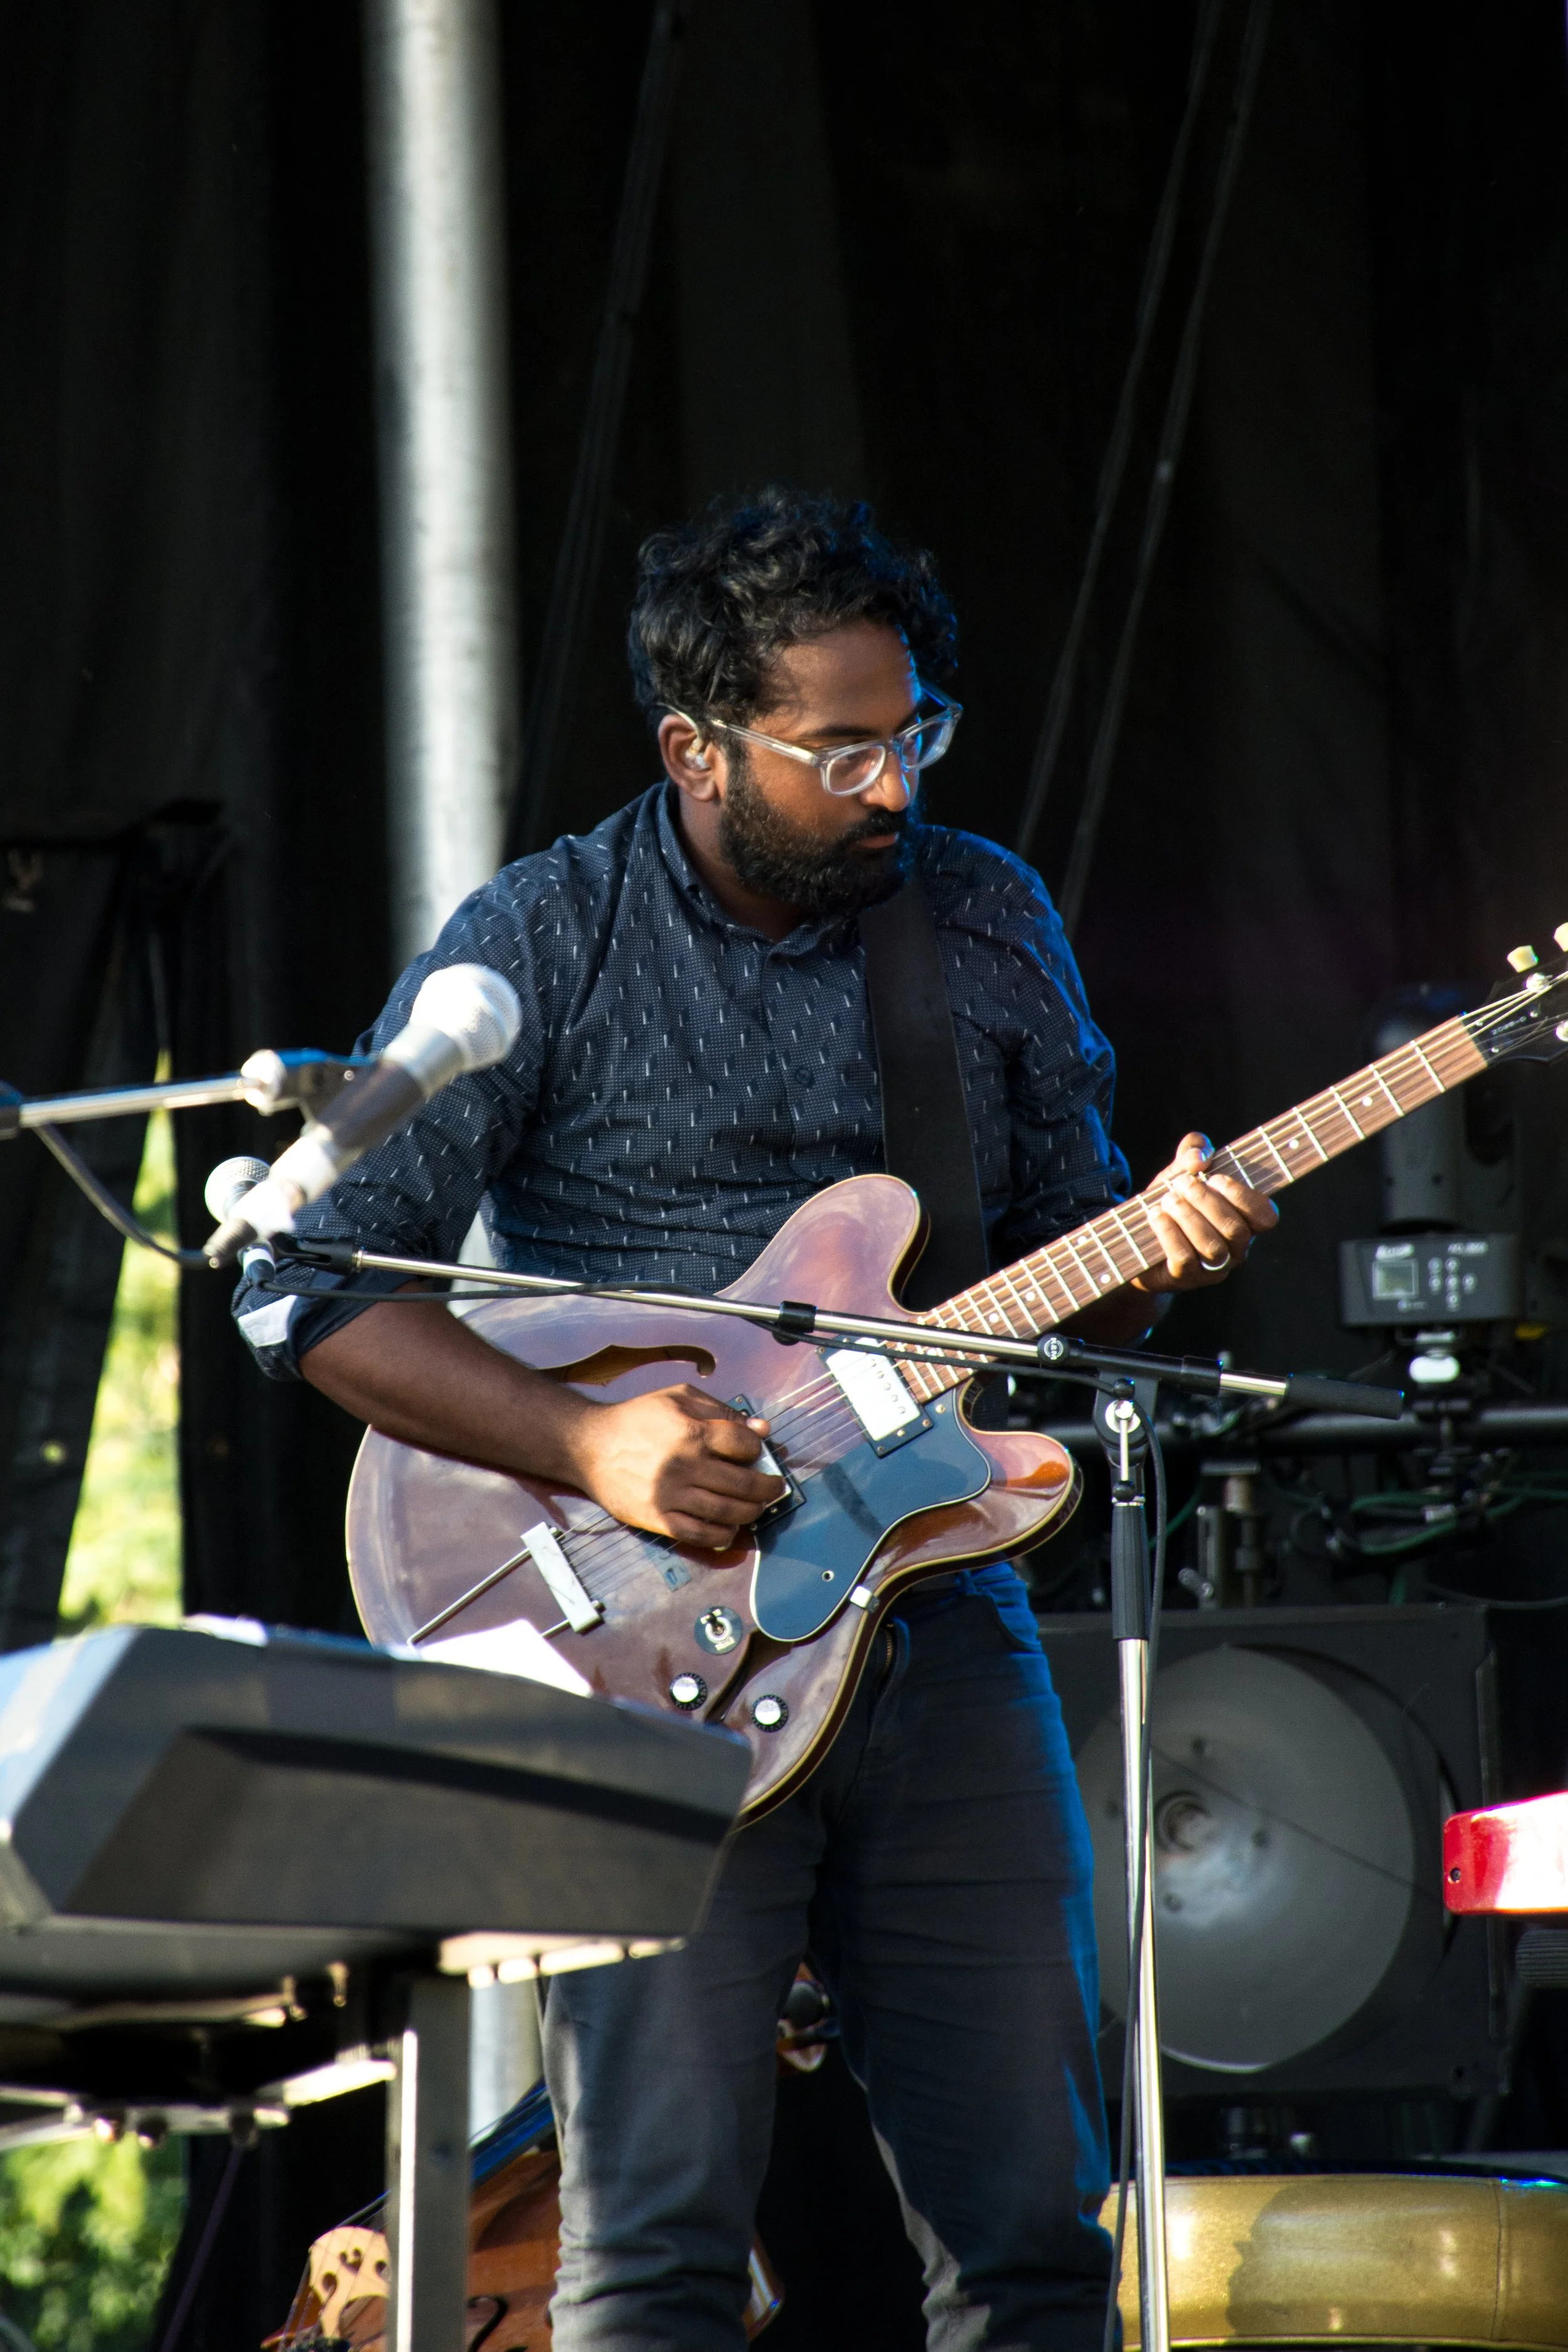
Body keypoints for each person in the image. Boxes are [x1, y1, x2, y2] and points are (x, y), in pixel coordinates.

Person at [235, 487, 1276, 2349]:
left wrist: (1159, 1252)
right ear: (693, 749)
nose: (892, 788)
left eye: (915, 735)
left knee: (1044, 2242)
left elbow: (1058, 1287)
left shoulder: (975, 916)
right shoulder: (544, 937)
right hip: (631, 1651)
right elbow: (305, 1282)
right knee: (652, 2260)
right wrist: (596, 1447)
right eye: (842, 750)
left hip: (930, 1611)